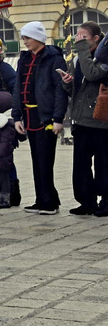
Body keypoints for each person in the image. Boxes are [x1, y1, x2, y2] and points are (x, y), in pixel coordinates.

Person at [12, 21, 67, 215]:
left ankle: (49, 202)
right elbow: (18, 87)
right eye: (24, 38)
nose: (25, 41)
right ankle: (42, 198)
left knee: (45, 159)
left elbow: (60, 90)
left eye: (27, 38)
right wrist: (16, 116)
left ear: (37, 38)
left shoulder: (54, 58)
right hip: (28, 115)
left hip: (46, 116)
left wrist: (58, 118)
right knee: (36, 159)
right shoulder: (24, 59)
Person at [57, 21, 108, 217]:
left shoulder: (103, 55)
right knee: (81, 166)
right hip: (81, 120)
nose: (79, 40)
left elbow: (93, 74)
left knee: (103, 164)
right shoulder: (80, 59)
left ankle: (105, 201)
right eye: (77, 36)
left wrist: (81, 50)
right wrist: (67, 84)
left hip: (101, 121)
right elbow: (79, 88)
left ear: (96, 38)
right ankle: (86, 201)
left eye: (83, 37)